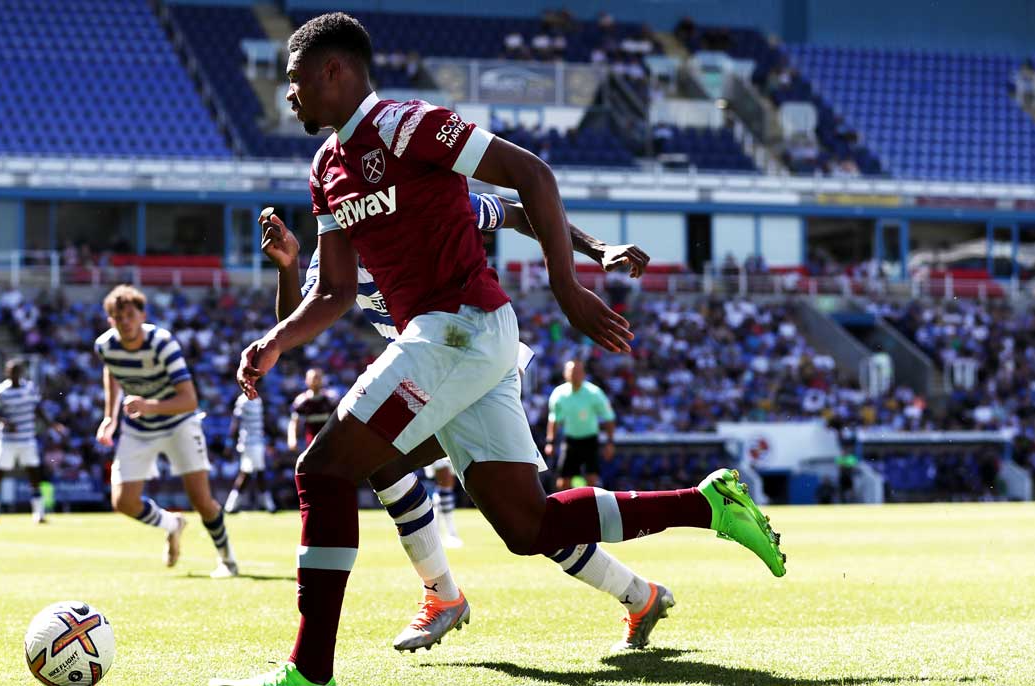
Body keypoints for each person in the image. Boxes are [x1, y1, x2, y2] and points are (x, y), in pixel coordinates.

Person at [215, 13, 785, 686]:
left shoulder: (406, 125)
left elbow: (529, 177)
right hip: (449, 346)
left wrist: (572, 283)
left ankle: (313, 671)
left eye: (294, 79)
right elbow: (335, 291)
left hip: (458, 328)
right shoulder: (325, 168)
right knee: (528, 525)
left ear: (333, 70)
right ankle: (708, 503)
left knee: (325, 470)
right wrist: (274, 340)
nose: (288, 94)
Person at [260, 188, 657, 647]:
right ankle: (639, 593)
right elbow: (295, 321)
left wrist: (596, 249)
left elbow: (522, 212)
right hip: (434, 370)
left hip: (472, 357)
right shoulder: (339, 246)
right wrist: (288, 267)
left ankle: (443, 596)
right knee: (524, 519)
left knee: (384, 463)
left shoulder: (423, 198)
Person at [94, 284, 238, 578]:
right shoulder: (105, 346)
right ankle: (172, 524)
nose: (125, 322)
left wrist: (148, 405)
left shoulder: (162, 343)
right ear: (111, 321)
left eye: (130, 315)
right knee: (123, 502)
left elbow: (190, 400)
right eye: (118, 317)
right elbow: (112, 371)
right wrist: (110, 416)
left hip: (179, 423)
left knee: (200, 499)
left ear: (142, 315)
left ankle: (227, 559)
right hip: (138, 427)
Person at [0, 358, 63, 524]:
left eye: (17, 371)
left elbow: (38, 409)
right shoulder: (0, 391)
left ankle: (39, 513)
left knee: (34, 474)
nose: (15, 374)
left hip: (27, 438)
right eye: (12, 371)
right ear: (7, 373)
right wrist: (5, 421)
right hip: (6, 440)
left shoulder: (30, 388)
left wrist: (52, 424)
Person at [545, 359, 616, 491]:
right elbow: (554, 419)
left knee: (592, 481)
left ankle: (592, 510)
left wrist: (610, 442)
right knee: (562, 483)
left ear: (583, 373)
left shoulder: (594, 393)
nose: (575, 375)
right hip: (570, 440)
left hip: (590, 441)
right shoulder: (559, 394)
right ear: (565, 374)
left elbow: (609, 417)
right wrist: (550, 442)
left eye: (578, 372)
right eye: (572, 372)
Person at [224, 391, 276, 514]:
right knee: (258, 473)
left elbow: (263, 423)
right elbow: (235, 423)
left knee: (248, 473)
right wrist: (228, 444)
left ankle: (231, 505)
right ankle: (269, 505)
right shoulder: (242, 400)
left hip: (258, 442)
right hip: (249, 443)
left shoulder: (259, 400)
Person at [289, 369, 339, 453]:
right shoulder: (302, 401)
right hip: (311, 443)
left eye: (317, 378)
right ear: (306, 380)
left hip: (330, 441)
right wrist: (292, 439)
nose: (315, 381)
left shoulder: (330, 399)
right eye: (312, 378)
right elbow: (294, 422)